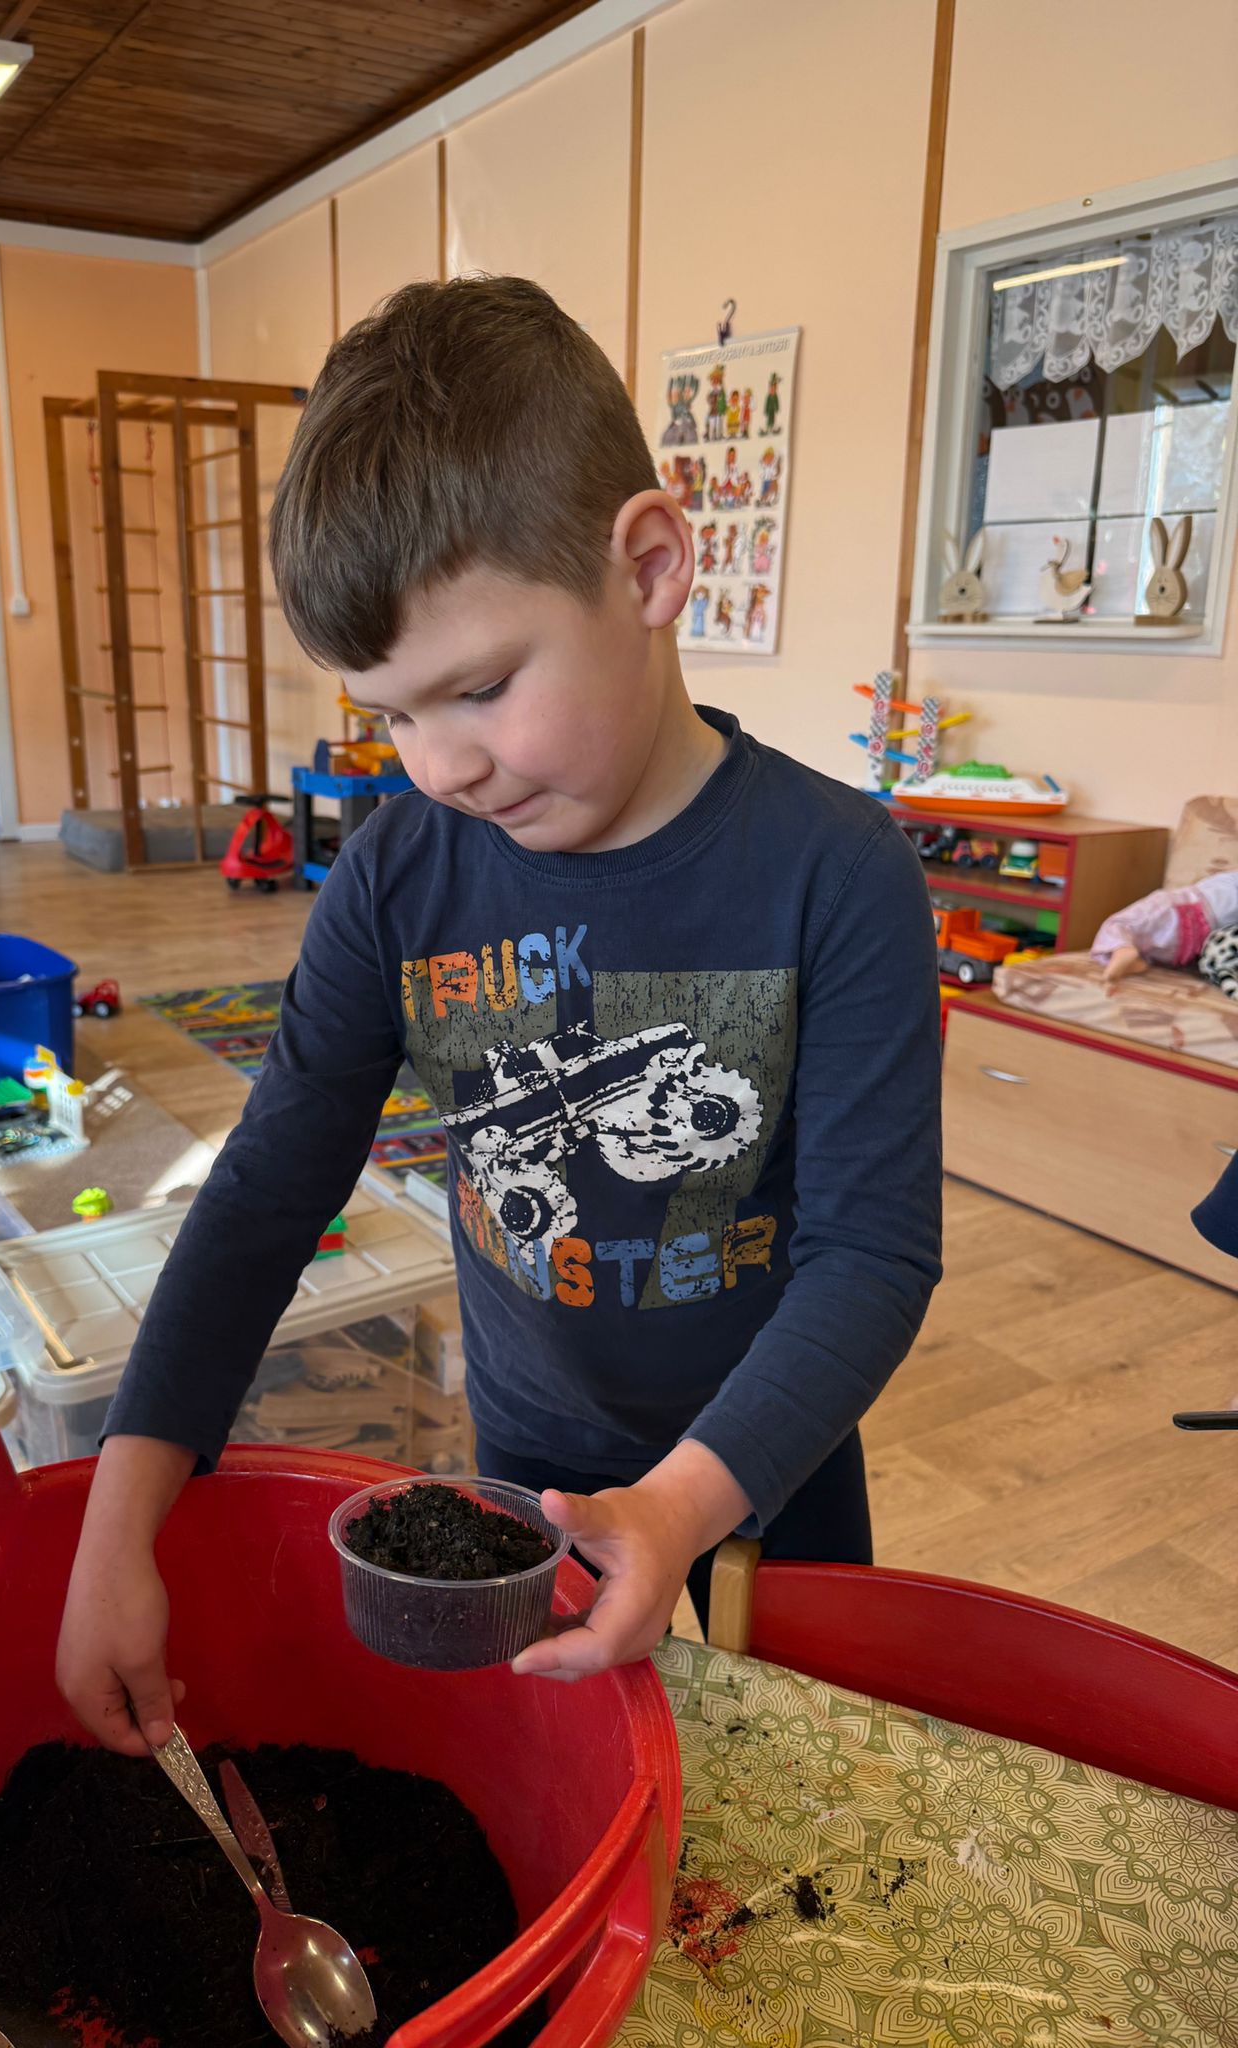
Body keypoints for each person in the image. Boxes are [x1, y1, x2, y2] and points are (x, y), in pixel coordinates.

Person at [56, 276, 942, 1758]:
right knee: (557, 1774)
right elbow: (266, 1194)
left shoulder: (838, 872)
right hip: (525, 1465)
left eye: (477, 689)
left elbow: (873, 1258)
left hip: (771, 1464)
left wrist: (681, 1505)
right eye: (391, 714)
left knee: (787, 1797)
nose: (438, 766)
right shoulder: (397, 874)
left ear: (650, 566)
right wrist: (117, 1519)